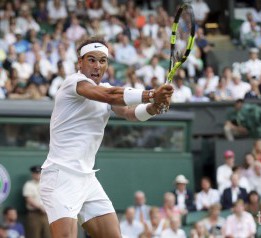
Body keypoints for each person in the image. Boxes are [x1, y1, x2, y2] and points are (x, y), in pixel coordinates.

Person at [39, 37, 173, 238]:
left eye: (102, 61)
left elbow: (129, 113)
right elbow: (111, 95)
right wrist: (152, 94)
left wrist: (153, 108)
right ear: (80, 63)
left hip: (87, 179)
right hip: (61, 176)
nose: (97, 66)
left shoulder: (107, 90)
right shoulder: (73, 83)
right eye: (91, 60)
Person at [23, 165, 50, 238]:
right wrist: (40, 207)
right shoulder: (29, 185)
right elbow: (29, 199)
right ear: (32, 174)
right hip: (34, 214)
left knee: (48, 235)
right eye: (35, 173)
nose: (37, 175)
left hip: (47, 215)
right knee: (34, 235)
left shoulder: (46, 184)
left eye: (39, 173)